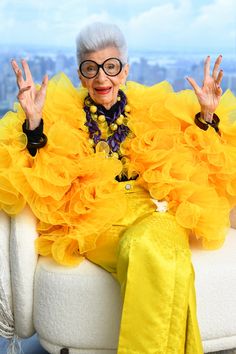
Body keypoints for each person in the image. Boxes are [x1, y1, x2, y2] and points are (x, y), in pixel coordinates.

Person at [1, 22, 236, 353]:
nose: (101, 78)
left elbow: (197, 153)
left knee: (154, 248)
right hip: (96, 219)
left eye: (110, 67)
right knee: (162, 258)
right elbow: (34, 169)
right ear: (81, 75)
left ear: (124, 70)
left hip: (156, 211)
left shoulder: (152, 107)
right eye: (91, 68)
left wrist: (208, 116)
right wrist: (35, 124)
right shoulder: (61, 113)